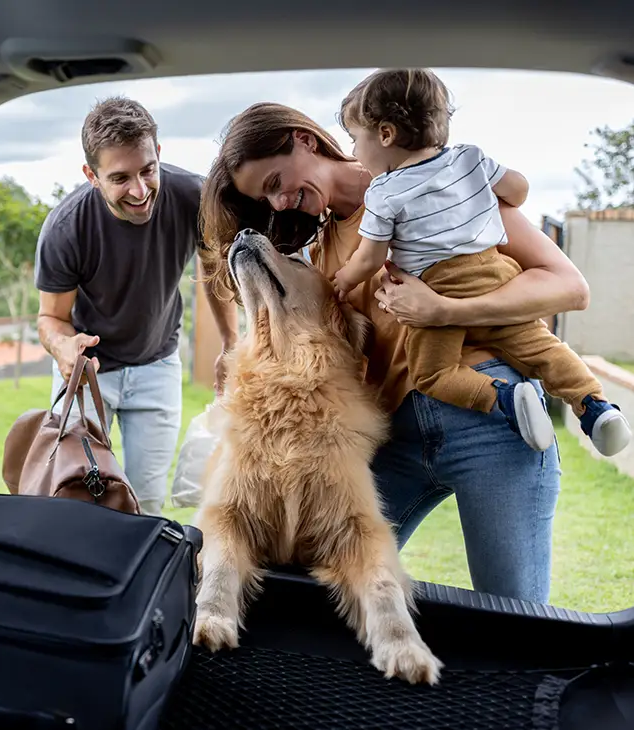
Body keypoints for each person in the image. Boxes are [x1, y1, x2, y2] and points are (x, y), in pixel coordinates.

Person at [198, 100, 592, 605]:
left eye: (275, 182)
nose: (278, 203)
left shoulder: (441, 186)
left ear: (304, 139)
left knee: (514, 614)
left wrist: (444, 311)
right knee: (312, 591)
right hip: (396, 436)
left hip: (491, 423)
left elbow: (568, 288)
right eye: (265, 198)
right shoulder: (321, 250)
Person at [331, 68, 630, 458]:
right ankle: (595, 406)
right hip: (497, 275)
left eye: (355, 139)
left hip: (439, 288)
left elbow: (369, 258)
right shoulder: (469, 159)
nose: (354, 152)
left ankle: (504, 399)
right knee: (543, 348)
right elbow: (518, 189)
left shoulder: (384, 193)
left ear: (385, 135)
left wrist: (343, 279)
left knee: (433, 374)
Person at [34, 95, 240, 516]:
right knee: (78, 498)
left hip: (157, 366)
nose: (140, 190)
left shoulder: (193, 197)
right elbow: (51, 318)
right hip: (88, 373)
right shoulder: (66, 227)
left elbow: (214, 270)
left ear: (159, 154)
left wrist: (230, 342)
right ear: (92, 175)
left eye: (148, 170)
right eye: (120, 178)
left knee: (144, 502)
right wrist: (63, 349)